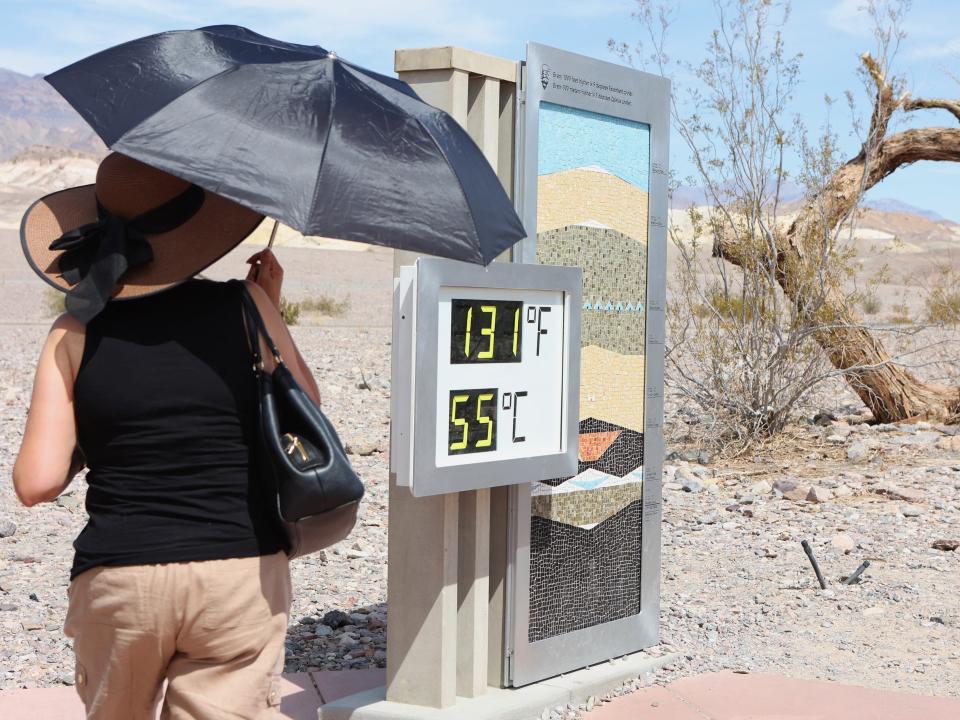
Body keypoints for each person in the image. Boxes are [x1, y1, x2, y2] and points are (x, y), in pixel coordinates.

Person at [12, 152, 320, 719]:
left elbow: (36, 483)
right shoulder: (247, 304)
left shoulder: (75, 328)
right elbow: (308, 410)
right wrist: (265, 313)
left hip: (121, 576)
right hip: (240, 573)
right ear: (198, 230)